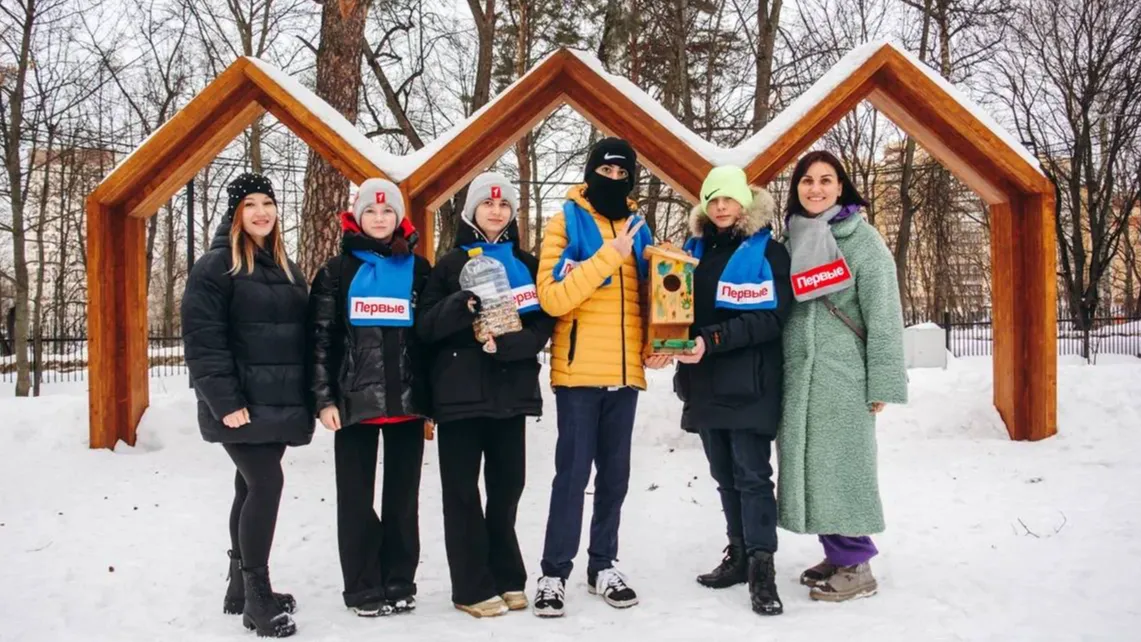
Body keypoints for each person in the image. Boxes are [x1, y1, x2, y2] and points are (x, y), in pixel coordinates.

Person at [531, 137, 670, 618]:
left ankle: (603, 565)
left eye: (621, 174)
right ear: (591, 173)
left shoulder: (639, 226)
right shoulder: (565, 221)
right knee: (572, 477)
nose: (613, 180)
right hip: (579, 375)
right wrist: (610, 255)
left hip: (625, 374)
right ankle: (553, 572)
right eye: (605, 172)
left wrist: (659, 343)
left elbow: (653, 296)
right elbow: (552, 298)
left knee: (615, 478)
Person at [416, 172, 557, 618]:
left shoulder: (527, 263)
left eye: (503, 205)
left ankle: (507, 575)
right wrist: (460, 304)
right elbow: (425, 327)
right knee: (462, 492)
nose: (496, 211)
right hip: (459, 396)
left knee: (508, 487)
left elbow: (544, 320)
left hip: (511, 391)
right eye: (487, 204)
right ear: (471, 211)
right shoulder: (449, 264)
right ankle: (471, 585)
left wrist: (517, 345)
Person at [181, 172, 311, 638]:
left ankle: (238, 587)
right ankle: (257, 596)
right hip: (239, 405)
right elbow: (203, 340)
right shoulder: (215, 267)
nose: (261, 212)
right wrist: (224, 401)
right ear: (235, 213)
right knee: (266, 483)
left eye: (267, 203)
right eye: (250, 204)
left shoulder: (287, 267)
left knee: (248, 485)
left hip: (278, 403)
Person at [777, 150, 908, 602]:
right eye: (807, 180)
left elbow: (884, 316)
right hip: (800, 377)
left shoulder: (863, 241)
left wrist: (882, 381)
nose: (815, 189)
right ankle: (836, 554)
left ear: (841, 187)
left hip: (844, 376)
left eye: (825, 180)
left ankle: (856, 563)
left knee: (843, 467)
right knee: (813, 467)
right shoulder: (792, 239)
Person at [307, 178, 431, 617]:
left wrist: (431, 402)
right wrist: (324, 399)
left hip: (407, 406)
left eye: (388, 211)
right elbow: (321, 340)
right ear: (357, 217)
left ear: (400, 218)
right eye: (371, 212)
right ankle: (362, 585)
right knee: (356, 501)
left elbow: (428, 341)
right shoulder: (336, 272)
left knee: (403, 500)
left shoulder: (419, 270)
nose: (380, 219)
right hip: (353, 406)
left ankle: (399, 579)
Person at [674, 166, 792, 616]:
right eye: (713, 200)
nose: (721, 207)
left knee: (752, 476)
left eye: (728, 198)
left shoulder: (769, 253)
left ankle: (763, 567)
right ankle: (738, 554)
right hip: (703, 380)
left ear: (744, 202)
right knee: (723, 474)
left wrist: (713, 339)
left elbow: (772, 318)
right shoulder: (692, 253)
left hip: (750, 380)